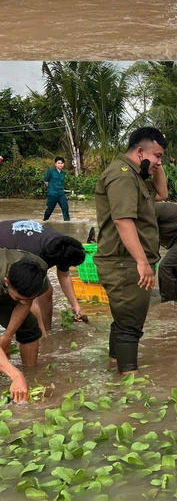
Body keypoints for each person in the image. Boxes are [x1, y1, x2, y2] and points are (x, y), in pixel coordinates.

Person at [93, 126, 166, 373]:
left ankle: (115, 365)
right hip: (124, 263)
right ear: (139, 151)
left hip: (126, 261)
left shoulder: (135, 174)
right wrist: (142, 261)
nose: (158, 162)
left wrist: (155, 163)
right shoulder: (123, 175)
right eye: (156, 156)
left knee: (124, 321)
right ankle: (128, 382)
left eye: (161, 158)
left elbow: (163, 193)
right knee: (129, 325)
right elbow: (123, 220)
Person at [0, 220, 86, 332]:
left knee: (47, 291)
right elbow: (31, 299)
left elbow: (64, 275)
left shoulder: (63, 245)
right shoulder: (33, 255)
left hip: (17, 240)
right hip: (6, 245)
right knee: (25, 295)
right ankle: (39, 333)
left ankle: (47, 329)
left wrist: (75, 305)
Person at [0, 249, 49, 401]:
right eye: (19, 298)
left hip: (11, 288)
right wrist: (15, 375)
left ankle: (30, 375)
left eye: (28, 299)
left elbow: (25, 303)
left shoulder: (38, 274)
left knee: (29, 325)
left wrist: (7, 336)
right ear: (6, 282)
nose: (24, 303)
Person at [42, 157, 69, 222]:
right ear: (55, 164)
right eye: (58, 163)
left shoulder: (63, 173)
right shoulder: (51, 171)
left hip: (61, 193)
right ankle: (44, 221)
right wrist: (52, 187)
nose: (60, 165)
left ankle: (67, 222)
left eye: (62, 163)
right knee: (50, 209)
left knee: (65, 208)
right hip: (52, 194)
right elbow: (45, 181)